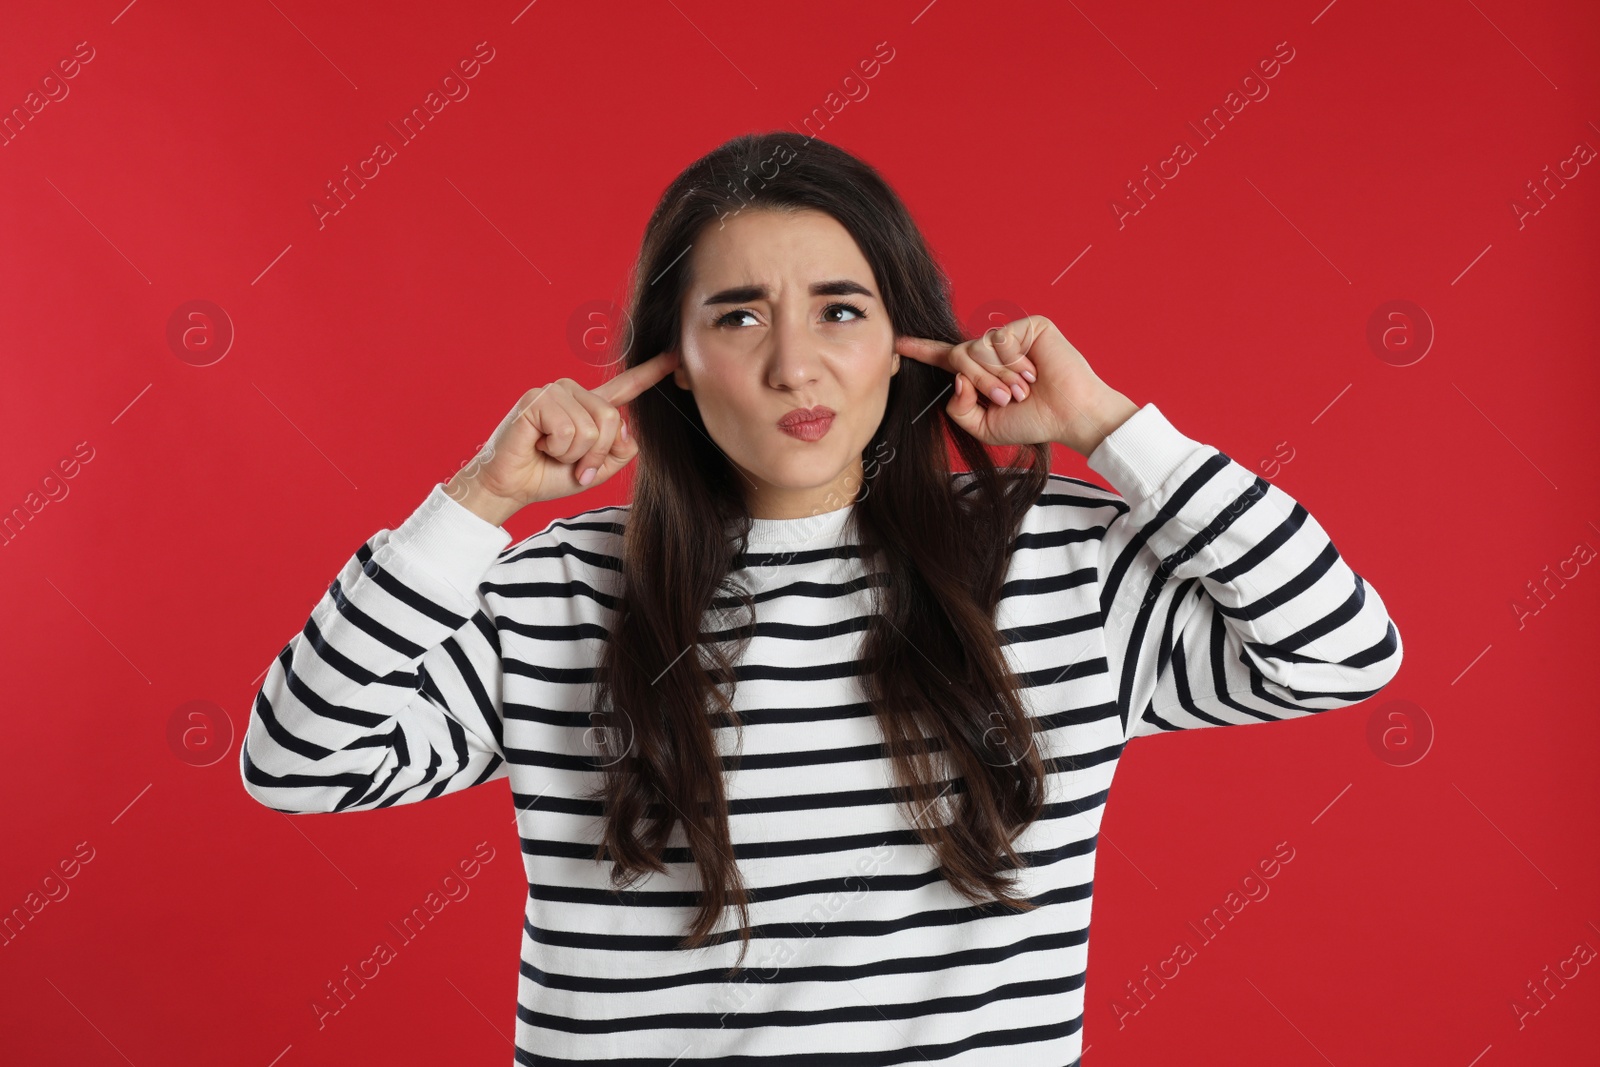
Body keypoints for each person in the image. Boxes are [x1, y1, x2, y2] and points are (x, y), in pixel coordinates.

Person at [240, 131, 1403, 1065]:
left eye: (840, 311)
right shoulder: (555, 589)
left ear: (905, 341)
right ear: (672, 363)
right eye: (737, 315)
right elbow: (296, 761)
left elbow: (1341, 650)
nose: (794, 364)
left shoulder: (1052, 559)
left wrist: (1110, 425)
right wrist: (479, 498)